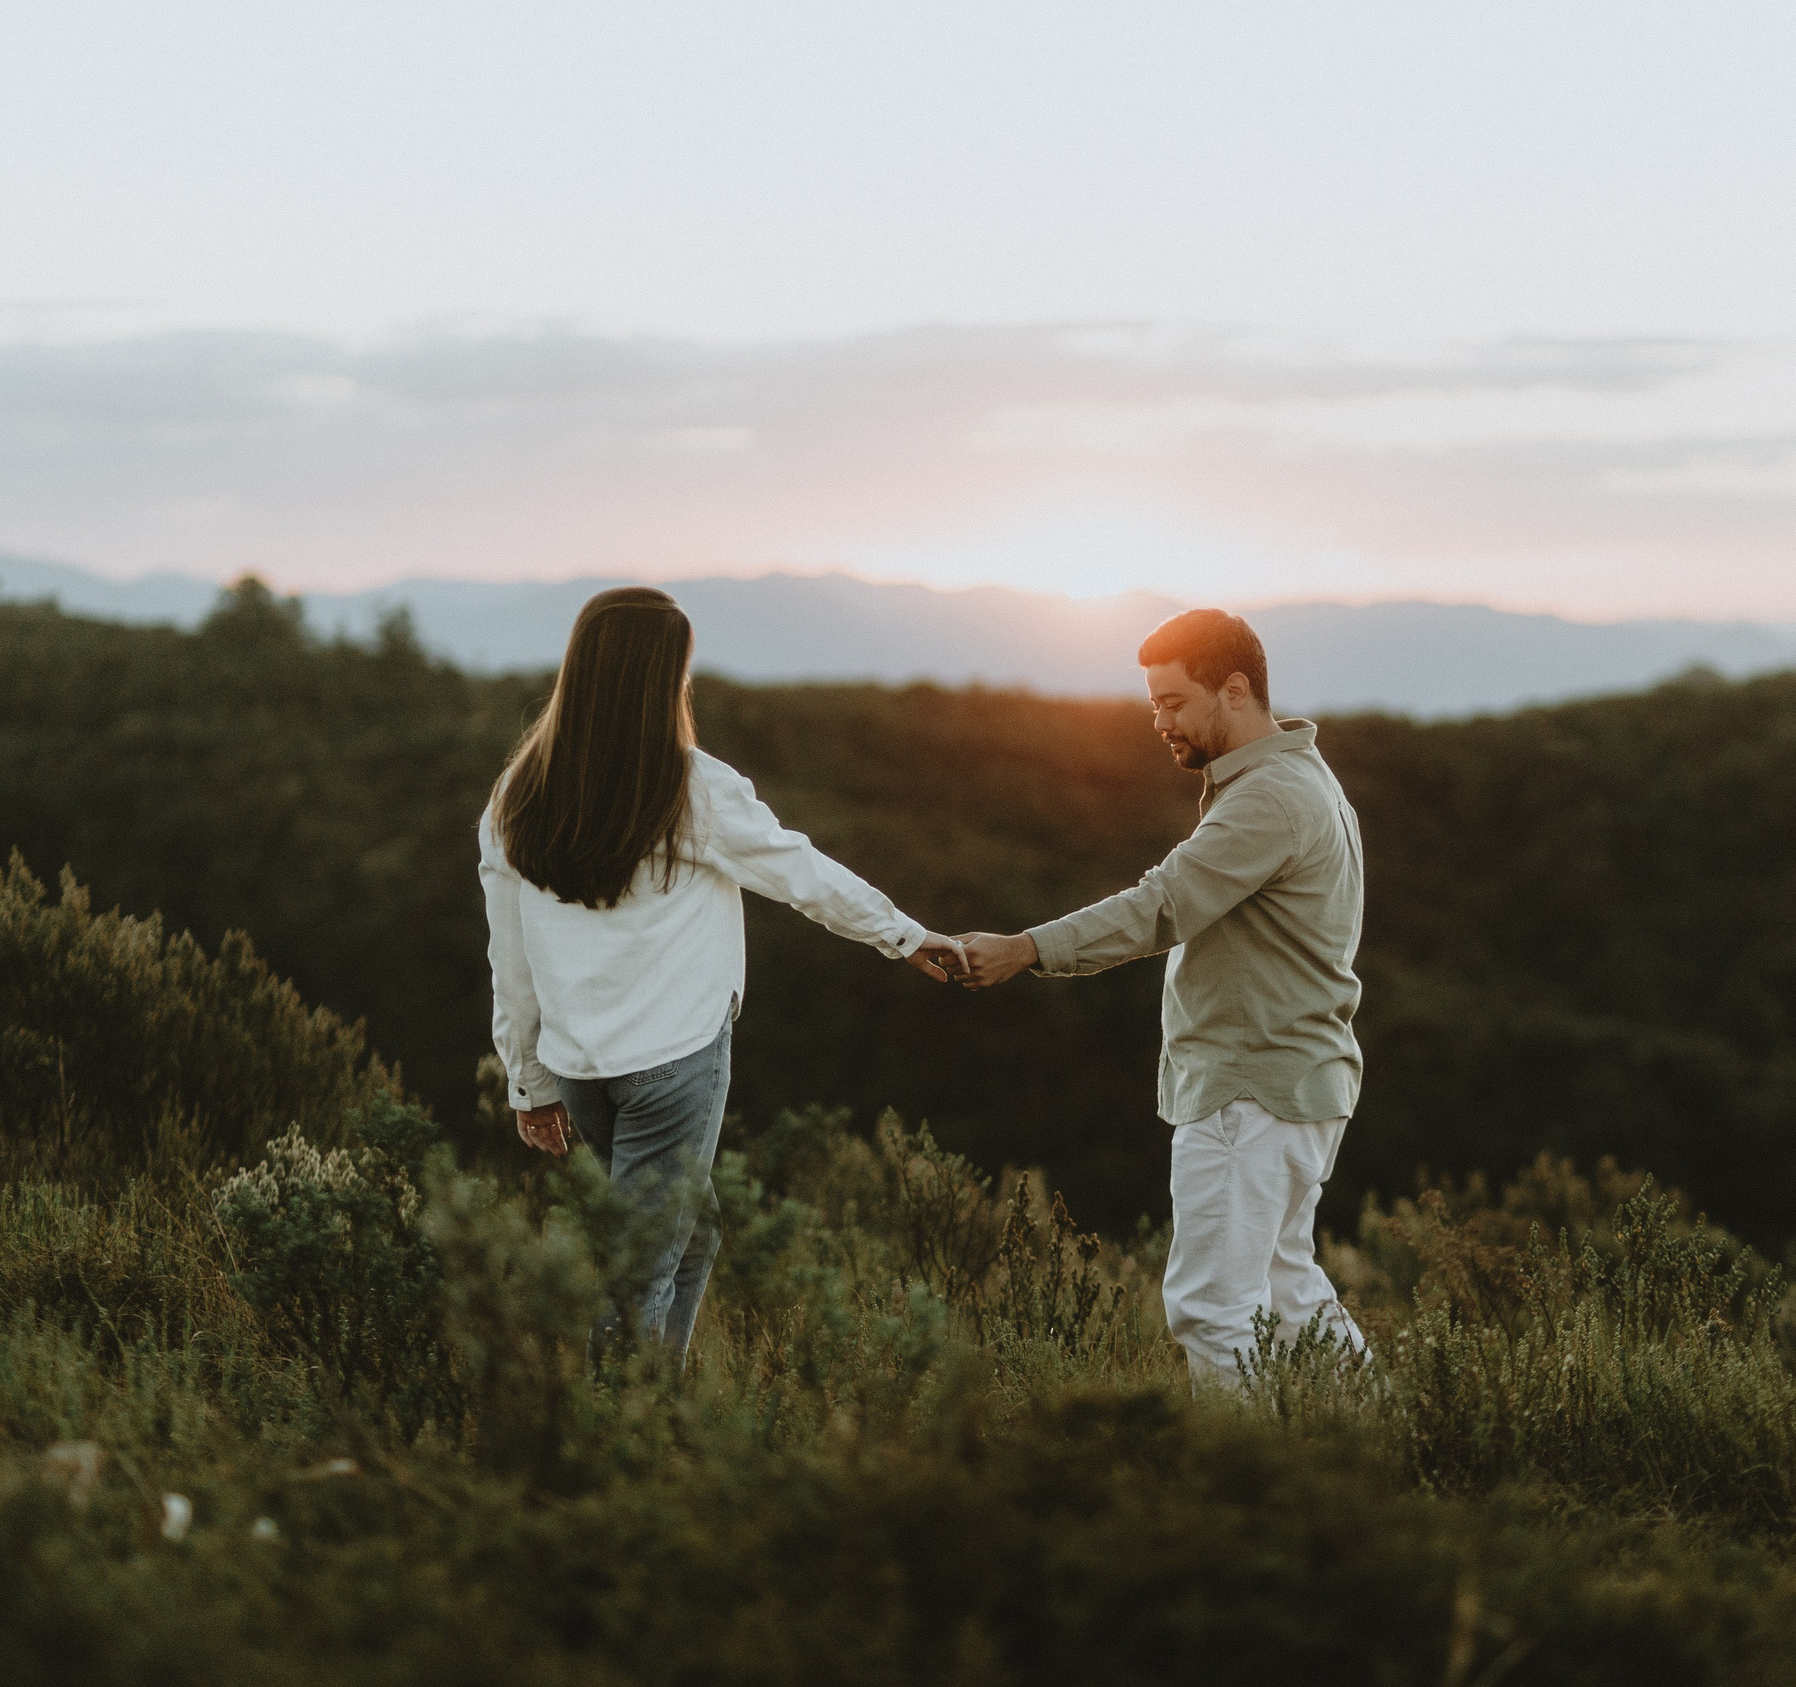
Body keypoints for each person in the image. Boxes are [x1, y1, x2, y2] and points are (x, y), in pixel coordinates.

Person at [481, 585, 962, 1355]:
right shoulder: (693, 788)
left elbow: (509, 959)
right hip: (672, 1064)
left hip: (579, 1070)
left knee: (691, 1234)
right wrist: (904, 935)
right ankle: (619, 1416)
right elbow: (804, 874)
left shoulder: (517, 795)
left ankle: (655, 1399)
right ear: (660, 679)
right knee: (640, 1271)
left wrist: (529, 1082)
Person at [956, 608, 1367, 1387]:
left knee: (1211, 1307)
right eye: (1153, 703)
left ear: (1235, 691)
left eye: (1173, 701)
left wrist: (1024, 948)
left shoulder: (1270, 797)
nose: (1158, 721)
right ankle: (1390, 1439)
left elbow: (1160, 905)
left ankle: (1237, 1461)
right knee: (1290, 1296)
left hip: (1251, 1090)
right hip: (1295, 1085)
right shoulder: (1303, 776)